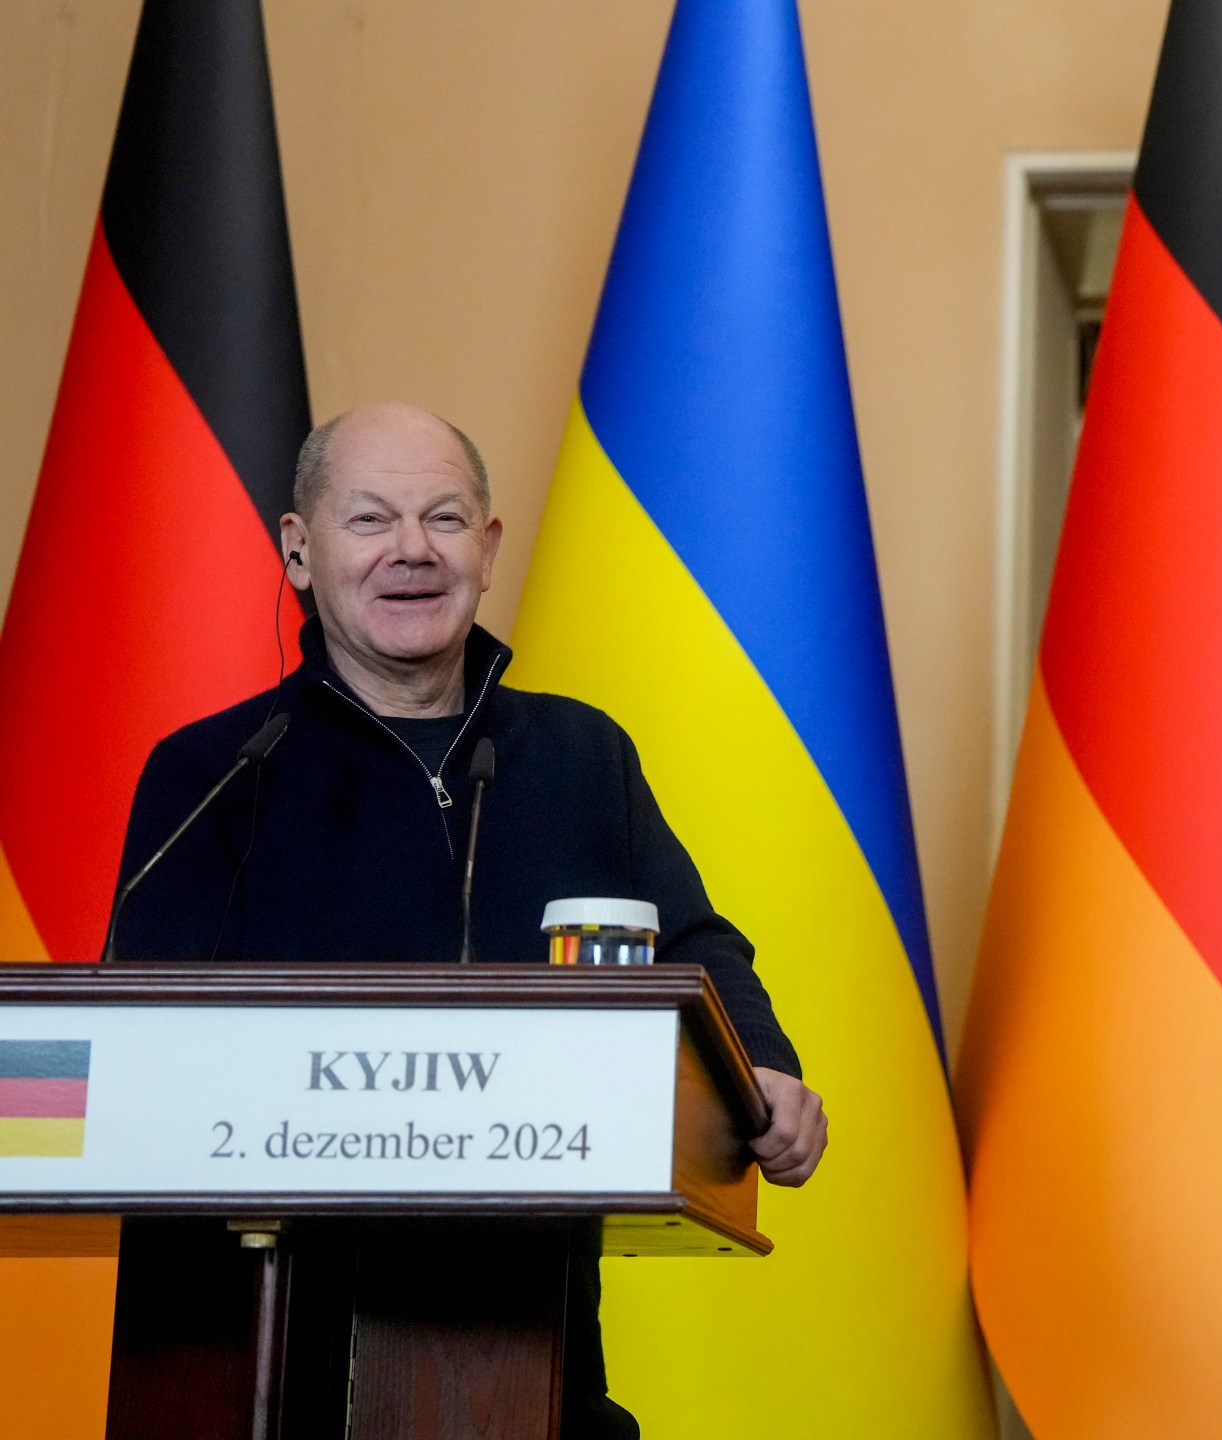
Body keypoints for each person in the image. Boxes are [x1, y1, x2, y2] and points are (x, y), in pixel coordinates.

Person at [113, 401, 827, 1438]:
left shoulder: (580, 760)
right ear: (299, 551)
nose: (412, 550)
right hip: (251, 1364)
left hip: (522, 1355)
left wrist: (760, 1062)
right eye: (370, 521)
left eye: (444, 519)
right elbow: (138, 1052)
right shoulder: (215, 775)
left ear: (488, 550)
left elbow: (693, 946)